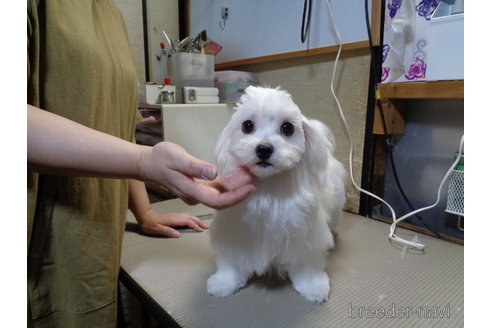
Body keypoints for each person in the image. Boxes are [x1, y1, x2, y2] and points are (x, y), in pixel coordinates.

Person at [27, 1, 254, 326]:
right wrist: (145, 161)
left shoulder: (110, 15)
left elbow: (120, 127)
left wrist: (144, 211)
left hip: (96, 243)